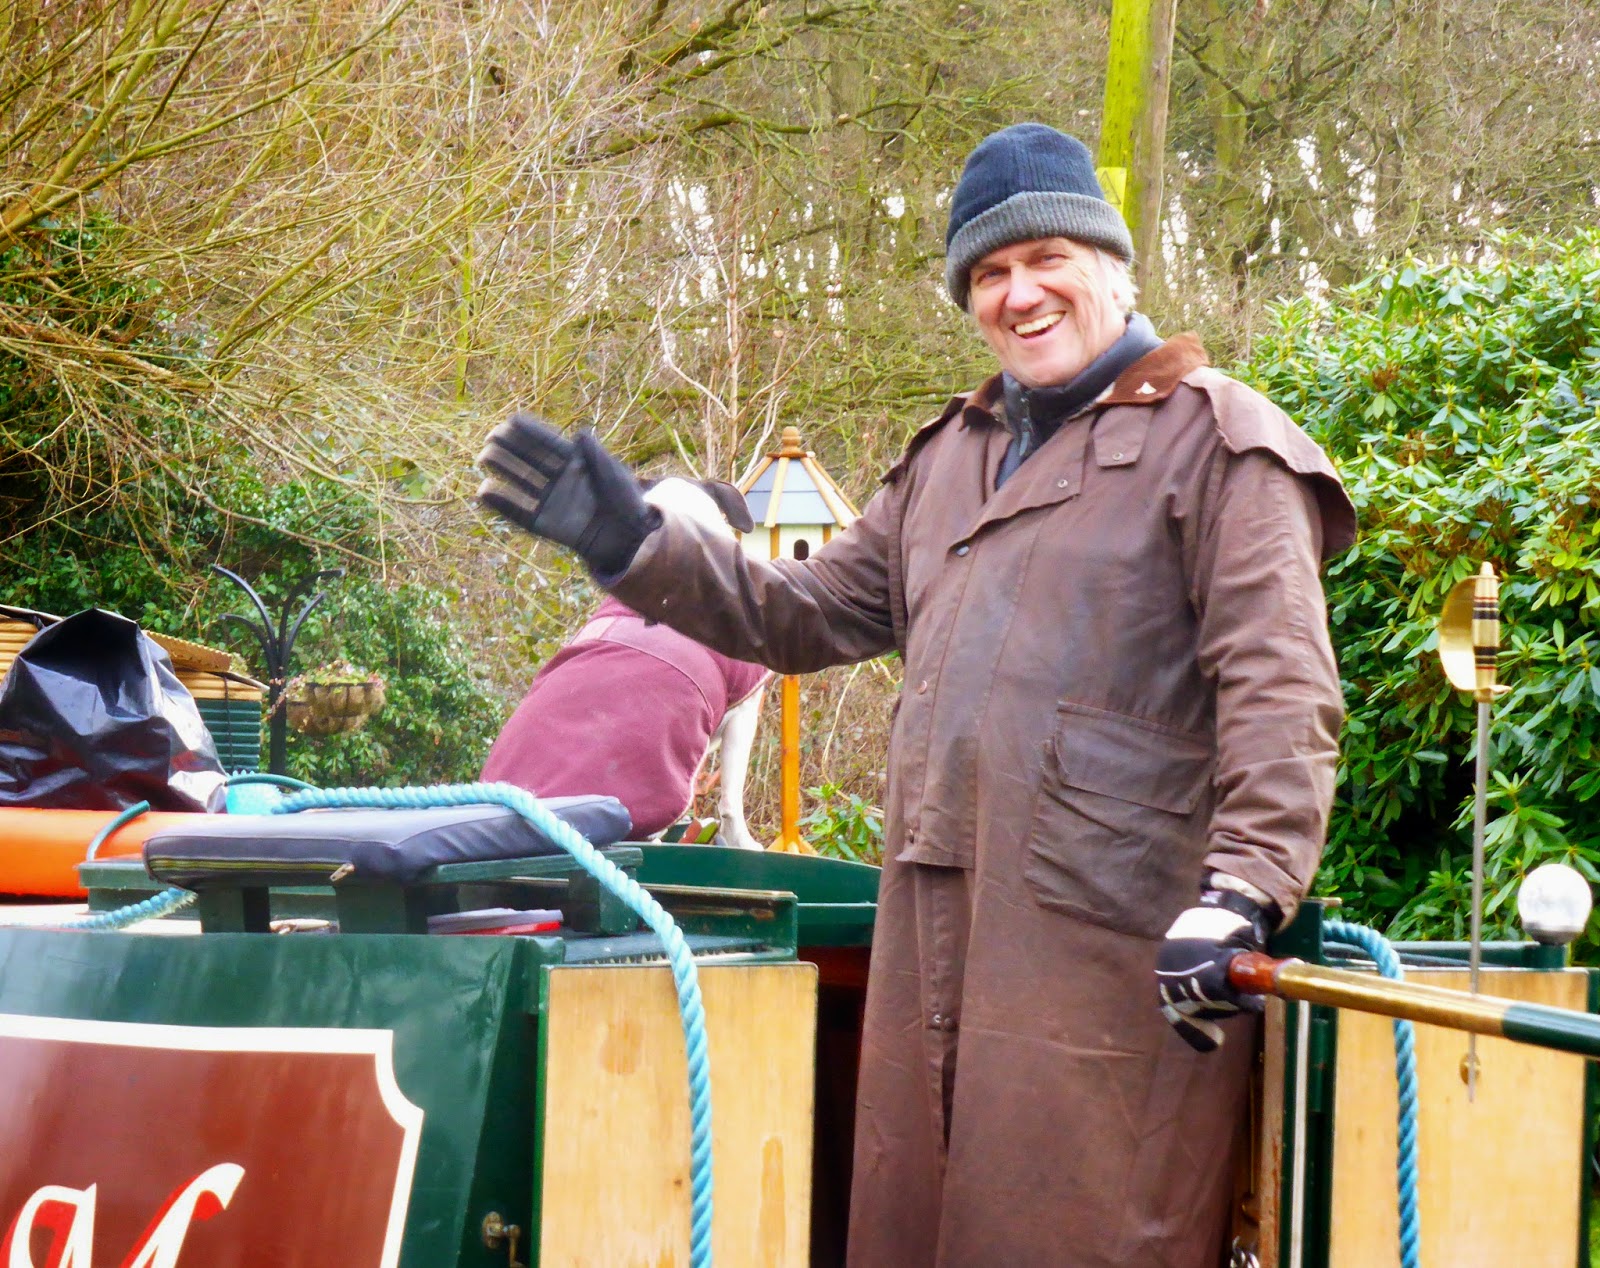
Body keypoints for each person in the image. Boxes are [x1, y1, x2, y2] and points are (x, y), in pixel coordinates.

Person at [476, 122, 1355, 1267]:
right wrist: (635, 542)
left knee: (1075, 1239)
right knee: (911, 1227)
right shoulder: (950, 456)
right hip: (929, 943)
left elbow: (1281, 686)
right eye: (988, 273)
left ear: (1113, 267)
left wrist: (1241, 888)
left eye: (1046, 258)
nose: (1019, 293)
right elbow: (800, 613)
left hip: (1111, 960)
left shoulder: (1219, 446)